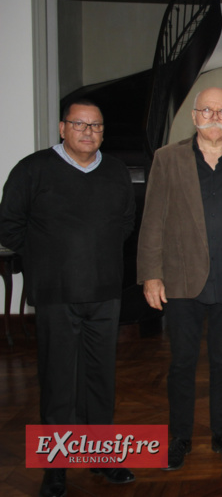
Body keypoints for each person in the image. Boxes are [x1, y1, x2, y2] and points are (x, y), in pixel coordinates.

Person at [0, 99, 136, 496]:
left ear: (103, 132)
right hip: (55, 294)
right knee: (58, 380)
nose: (87, 132)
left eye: (95, 126)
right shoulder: (33, 169)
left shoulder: (114, 171)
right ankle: (56, 464)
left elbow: (125, 222)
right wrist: (46, 257)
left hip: (105, 293)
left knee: (100, 379)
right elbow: (9, 226)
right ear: (63, 128)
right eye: (79, 124)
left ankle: (100, 456)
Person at [137, 87, 222, 471]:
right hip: (181, 279)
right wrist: (151, 275)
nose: (214, 117)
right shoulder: (167, 158)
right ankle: (179, 436)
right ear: (194, 116)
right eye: (206, 110)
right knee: (181, 363)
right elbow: (153, 219)